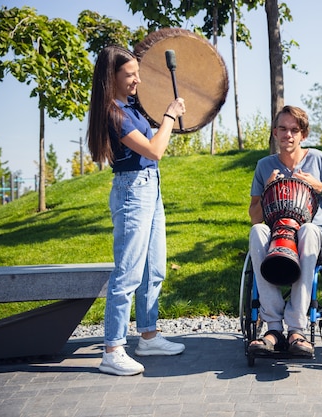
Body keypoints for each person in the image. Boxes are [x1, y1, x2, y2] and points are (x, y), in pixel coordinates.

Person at [87, 45, 187, 376]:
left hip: (150, 187)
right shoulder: (114, 113)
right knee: (128, 272)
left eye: (137, 73)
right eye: (129, 75)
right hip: (133, 189)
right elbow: (155, 149)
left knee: (154, 267)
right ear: (110, 78)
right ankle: (113, 348)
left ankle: (148, 335)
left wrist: (168, 115)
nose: (137, 80)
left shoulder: (131, 108)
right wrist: (171, 115)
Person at [248, 105, 322, 356]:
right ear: (275, 133)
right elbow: (254, 217)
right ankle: (273, 328)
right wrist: (267, 191)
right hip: (278, 235)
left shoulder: (318, 159)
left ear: (303, 134)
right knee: (257, 233)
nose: (288, 135)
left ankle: (296, 329)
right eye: (283, 129)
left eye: (294, 130)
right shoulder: (265, 166)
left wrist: (318, 186)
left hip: (314, 232)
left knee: (307, 229)